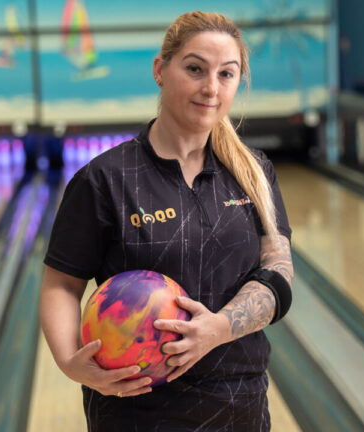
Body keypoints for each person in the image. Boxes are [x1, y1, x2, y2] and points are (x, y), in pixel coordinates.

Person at [40, 11, 293, 431]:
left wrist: (218, 328)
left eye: (226, 74)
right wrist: (70, 362)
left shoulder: (254, 172)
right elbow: (61, 285)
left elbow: (278, 274)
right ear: (161, 70)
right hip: (135, 409)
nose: (211, 88)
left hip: (239, 407)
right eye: (195, 69)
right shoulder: (104, 180)